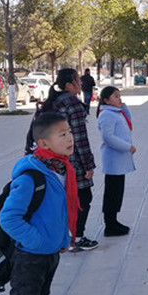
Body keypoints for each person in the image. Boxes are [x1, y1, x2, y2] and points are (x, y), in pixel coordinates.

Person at [0, 111, 74, 295]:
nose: (70, 138)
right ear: (43, 143)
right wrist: (38, 241)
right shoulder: (31, 176)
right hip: (29, 257)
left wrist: (62, 239)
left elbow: (57, 212)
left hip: (50, 252)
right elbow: (9, 218)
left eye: (69, 132)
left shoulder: (60, 168)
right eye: (62, 134)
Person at [41, 68, 98, 252]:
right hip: (72, 162)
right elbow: (79, 138)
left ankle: (62, 237)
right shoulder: (72, 103)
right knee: (83, 198)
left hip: (51, 160)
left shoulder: (55, 101)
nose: (81, 83)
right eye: (77, 80)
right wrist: (88, 165)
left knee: (62, 199)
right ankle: (76, 238)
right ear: (68, 85)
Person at [97, 86, 136, 236]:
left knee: (117, 192)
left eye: (119, 96)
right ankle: (110, 224)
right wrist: (127, 147)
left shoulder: (115, 112)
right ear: (106, 100)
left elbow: (129, 122)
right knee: (112, 193)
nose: (119, 99)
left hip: (119, 159)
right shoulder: (107, 114)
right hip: (113, 159)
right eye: (115, 96)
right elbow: (108, 137)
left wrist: (123, 106)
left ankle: (114, 221)